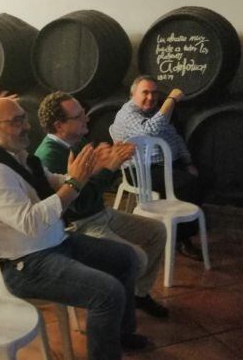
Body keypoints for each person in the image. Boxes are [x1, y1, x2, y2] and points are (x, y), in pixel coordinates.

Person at [0, 97, 146, 360]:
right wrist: (74, 183)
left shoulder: (18, 157)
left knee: (125, 258)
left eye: (24, 117)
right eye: (16, 121)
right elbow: (32, 222)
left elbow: (55, 181)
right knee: (107, 292)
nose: (26, 126)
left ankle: (120, 334)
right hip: (23, 265)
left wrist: (97, 168)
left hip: (53, 244)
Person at [35, 92, 168, 317]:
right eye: (79, 116)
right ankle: (114, 306)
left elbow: (92, 185)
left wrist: (108, 163)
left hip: (100, 214)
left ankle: (139, 295)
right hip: (79, 226)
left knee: (157, 230)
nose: (86, 118)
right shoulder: (49, 156)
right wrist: (110, 168)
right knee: (136, 258)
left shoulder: (78, 141)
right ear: (59, 125)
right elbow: (80, 202)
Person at [110, 75, 203, 260]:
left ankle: (182, 223)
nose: (151, 98)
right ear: (132, 95)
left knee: (206, 176)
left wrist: (188, 162)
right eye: (145, 93)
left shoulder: (155, 112)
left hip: (167, 165)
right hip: (142, 170)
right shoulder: (127, 113)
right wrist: (171, 99)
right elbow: (150, 130)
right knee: (189, 184)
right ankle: (181, 238)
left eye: (155, 93)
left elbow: (175, 137)